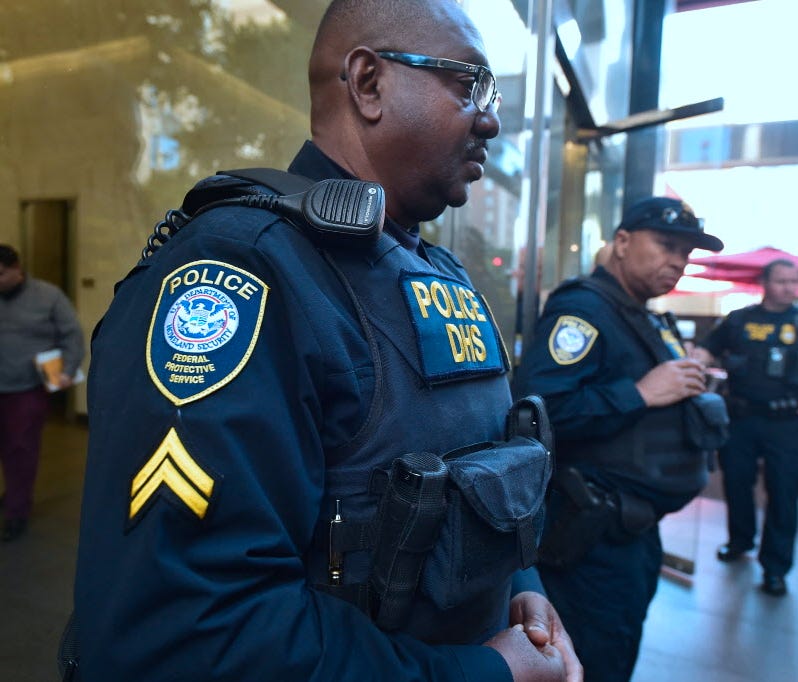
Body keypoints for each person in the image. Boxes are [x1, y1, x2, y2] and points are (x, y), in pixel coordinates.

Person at [70, 2, 581, 681]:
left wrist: (527, 599)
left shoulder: (438, 273)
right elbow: (195, 633)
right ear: (368, 84)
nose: (489, 118)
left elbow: (484, 480)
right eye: (467, 85)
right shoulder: (244, 274)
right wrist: (489, 674)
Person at [513, 197, 726, 682]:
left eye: (688, 254)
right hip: (592, 540)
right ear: (624, 242)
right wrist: (640, 393)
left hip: (634, 533)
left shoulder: (642, 314)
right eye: (667, 245)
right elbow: (541, 411)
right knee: (594, 660)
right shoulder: (584, 309)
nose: (678, 261)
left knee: (619, 649)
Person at [694, 258, 798, 597]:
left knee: (783, 493)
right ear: (766, 283)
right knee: (737, 482)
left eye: (794, 282)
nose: (789, 288)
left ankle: (775, 568)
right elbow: (707, 349)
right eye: (782, 281)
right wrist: (695, 363)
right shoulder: (740, 319)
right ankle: (739, 540)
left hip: (787, 422)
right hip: (741, 418)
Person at [0, 244, 84, 542]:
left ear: (16, 269)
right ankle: (12, 494)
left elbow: (71, 333)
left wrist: (67, 369)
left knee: (20, 450)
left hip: (26, 388)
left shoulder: (47, 296)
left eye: (0, 274)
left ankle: (17, 512)